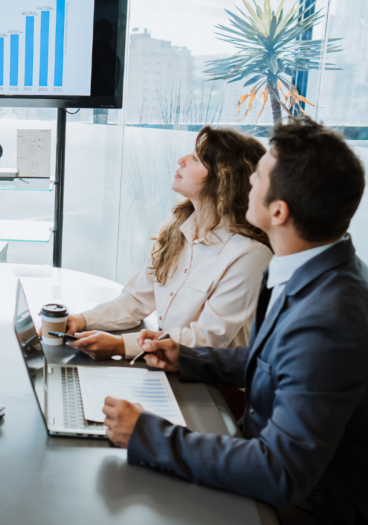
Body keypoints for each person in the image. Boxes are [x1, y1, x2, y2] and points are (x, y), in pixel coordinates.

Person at [103, 119, 368, 525]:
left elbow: (280, 471)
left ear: (279, 211)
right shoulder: (322, 268)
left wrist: (149, 435)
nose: (247, 179)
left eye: (259, 175)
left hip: (325, 521)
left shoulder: (330, 317)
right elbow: (286, 364)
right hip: (306, 485)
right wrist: (191, 358)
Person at [66, 125, 273, 360]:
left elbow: (209, 338)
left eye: (195, 158)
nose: (181, 160)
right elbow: (136, 300)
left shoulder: (250, 254)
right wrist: (80, 320)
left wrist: (121, 345)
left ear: (223, 178)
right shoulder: (175, 231)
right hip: (165, 364)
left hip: (213, 387)